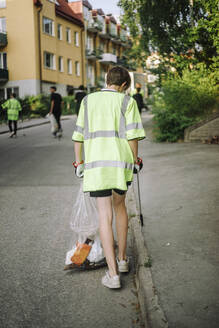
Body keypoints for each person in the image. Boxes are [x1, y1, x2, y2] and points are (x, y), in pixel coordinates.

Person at [72, 66, 145, 289]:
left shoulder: (87, 101)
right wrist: (135, 160)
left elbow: (79, 135)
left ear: (107, 80)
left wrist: (79, 163)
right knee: (120, 208)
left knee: (105, 215)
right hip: (120, 166)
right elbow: (133, 136)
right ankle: (123, 260)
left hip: (96, 167)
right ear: (124, 85)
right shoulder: (127, 102)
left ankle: (113, 275)